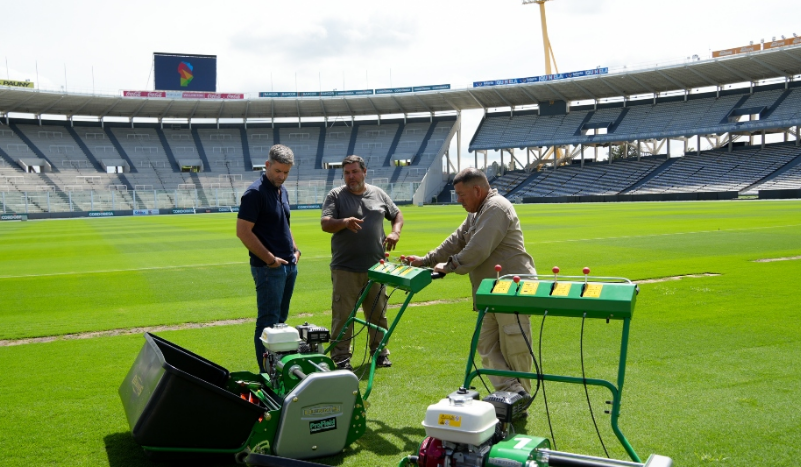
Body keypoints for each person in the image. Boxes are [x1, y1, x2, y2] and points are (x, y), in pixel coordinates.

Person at [408, 167, 535, 396]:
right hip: (490, 291)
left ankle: (519, 399)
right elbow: (455, 241)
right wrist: (426, 261)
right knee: (486, 345)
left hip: (511, 288)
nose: (458, 200)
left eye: (461, 195)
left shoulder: (496, 207)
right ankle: (512, 392)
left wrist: (449, 266)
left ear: (477, 190)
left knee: (514, 347)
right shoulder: (477, 212)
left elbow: (478, 249)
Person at [321, 155, 404, 371]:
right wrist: (344, 222)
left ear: (364, 172)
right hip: (345, 268)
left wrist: (395, 232)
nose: (351, 176)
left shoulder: (378, 193)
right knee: (343, 316)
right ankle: (340, 357)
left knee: (378, 314)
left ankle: (380, 352)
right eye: (347, 173)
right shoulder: (336, 196)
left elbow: (397, 214)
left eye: (355, 172)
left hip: (376, 268)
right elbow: (325, 223)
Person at [236, 144, 301, 373]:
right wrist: (271, 260)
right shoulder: (255, 193)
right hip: (268, 269)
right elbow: (243, 231)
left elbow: (284, 224)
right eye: (278, 171)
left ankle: (279, 371)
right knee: (267, 324)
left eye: (286, 172)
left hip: (288, 266)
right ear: (267, 165)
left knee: (280, 323)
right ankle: (267, 374)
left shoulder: (282, 191)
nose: (281, 176)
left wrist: (294, 249)